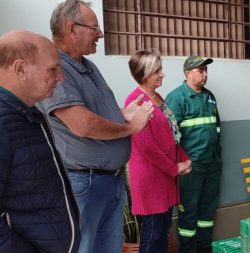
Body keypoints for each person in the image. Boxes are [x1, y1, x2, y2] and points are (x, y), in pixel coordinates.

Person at [38, 1, 154, 252]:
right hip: (84, 182)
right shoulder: (56, 68)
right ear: (71, 28)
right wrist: (131, 127)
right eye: (94, 28)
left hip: (108, 181)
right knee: (84, 247)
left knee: (108, 247)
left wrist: (122, 114)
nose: (100, 34)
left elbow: (96, 112)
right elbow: (81, 124)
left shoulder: (88, 66)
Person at [0, 30, 80, 252]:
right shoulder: (4, 122)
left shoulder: (28, 114)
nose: (60, 77)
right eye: (53, 69)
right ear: (21, 69)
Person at [125, 49, 192, 253]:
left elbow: (172, 134)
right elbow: (147, 147)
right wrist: (174, 168)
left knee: (162, 231)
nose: (162, 74)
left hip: (164, 176)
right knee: (153, 234)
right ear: (144, 74)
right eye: (157, 71)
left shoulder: (157, 97)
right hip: (151, 178)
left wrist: (184, 159)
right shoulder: (135, 101)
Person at [166, 56, 221, 253]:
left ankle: (204, 249)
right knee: (189, 212)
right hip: (191, 167)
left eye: (206, 70)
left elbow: (216, 129)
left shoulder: (210, 96)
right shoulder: (177, 97)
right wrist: (181, 163)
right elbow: (170, 137)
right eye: (200, 70)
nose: (205, 74)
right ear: (187, 73)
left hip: (212, 164)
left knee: (207, 212)